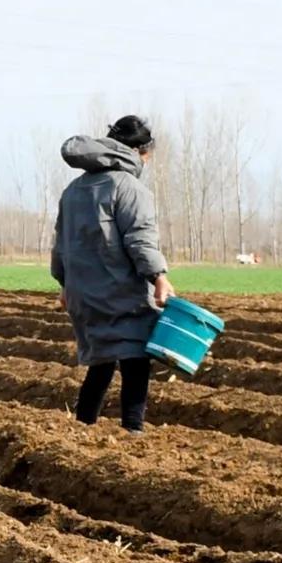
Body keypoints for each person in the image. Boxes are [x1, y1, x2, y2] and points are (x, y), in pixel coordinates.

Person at [52, 115, 174, 433]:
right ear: (140, 152)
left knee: (102, 362)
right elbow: (140, 239)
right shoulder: (130, 188)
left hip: (84, 296)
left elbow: (60, 244)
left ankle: (84, 427)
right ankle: (133, 431)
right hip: (120, 293)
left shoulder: (73, 190)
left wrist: (65, 286)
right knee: (135, 361)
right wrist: (159, 277)